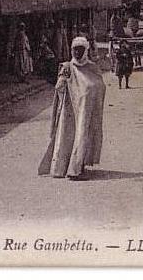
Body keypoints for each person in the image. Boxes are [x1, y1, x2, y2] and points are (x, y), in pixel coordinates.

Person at [38, 36, 105, 181]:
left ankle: (77, 168)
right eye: (74, 49)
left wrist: (91, 94)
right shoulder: (68, 67)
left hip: (86, 110)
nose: (77, 53)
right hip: (69, 112)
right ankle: (63, 168)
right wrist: (63, 81)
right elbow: (59, 87)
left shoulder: (92, 68)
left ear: (86, 50)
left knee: (83, 136)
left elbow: (99, 86)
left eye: (80, 50)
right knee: (66, 137)